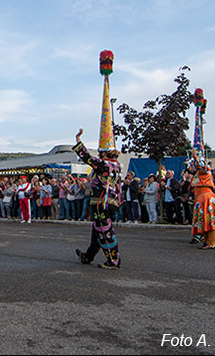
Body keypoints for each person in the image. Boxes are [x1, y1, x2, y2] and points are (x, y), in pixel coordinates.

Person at [73, 50, 122, 270]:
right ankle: (88, 256)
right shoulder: (116, 165)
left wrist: (78, 141)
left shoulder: (105, 164)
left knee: (104, 230)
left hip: (103, 203)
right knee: (97, 230)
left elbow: (87, 158)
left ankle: (114, 260)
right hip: (108, 202)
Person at [187, 89, 215, 249]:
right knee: (203, 221)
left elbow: (201, 164)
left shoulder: (204, 169)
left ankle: (211, 242)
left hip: (206, 197)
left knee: (209, 221)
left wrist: (196, 155)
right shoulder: (197, 172)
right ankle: (205, 240)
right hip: (200, 198)